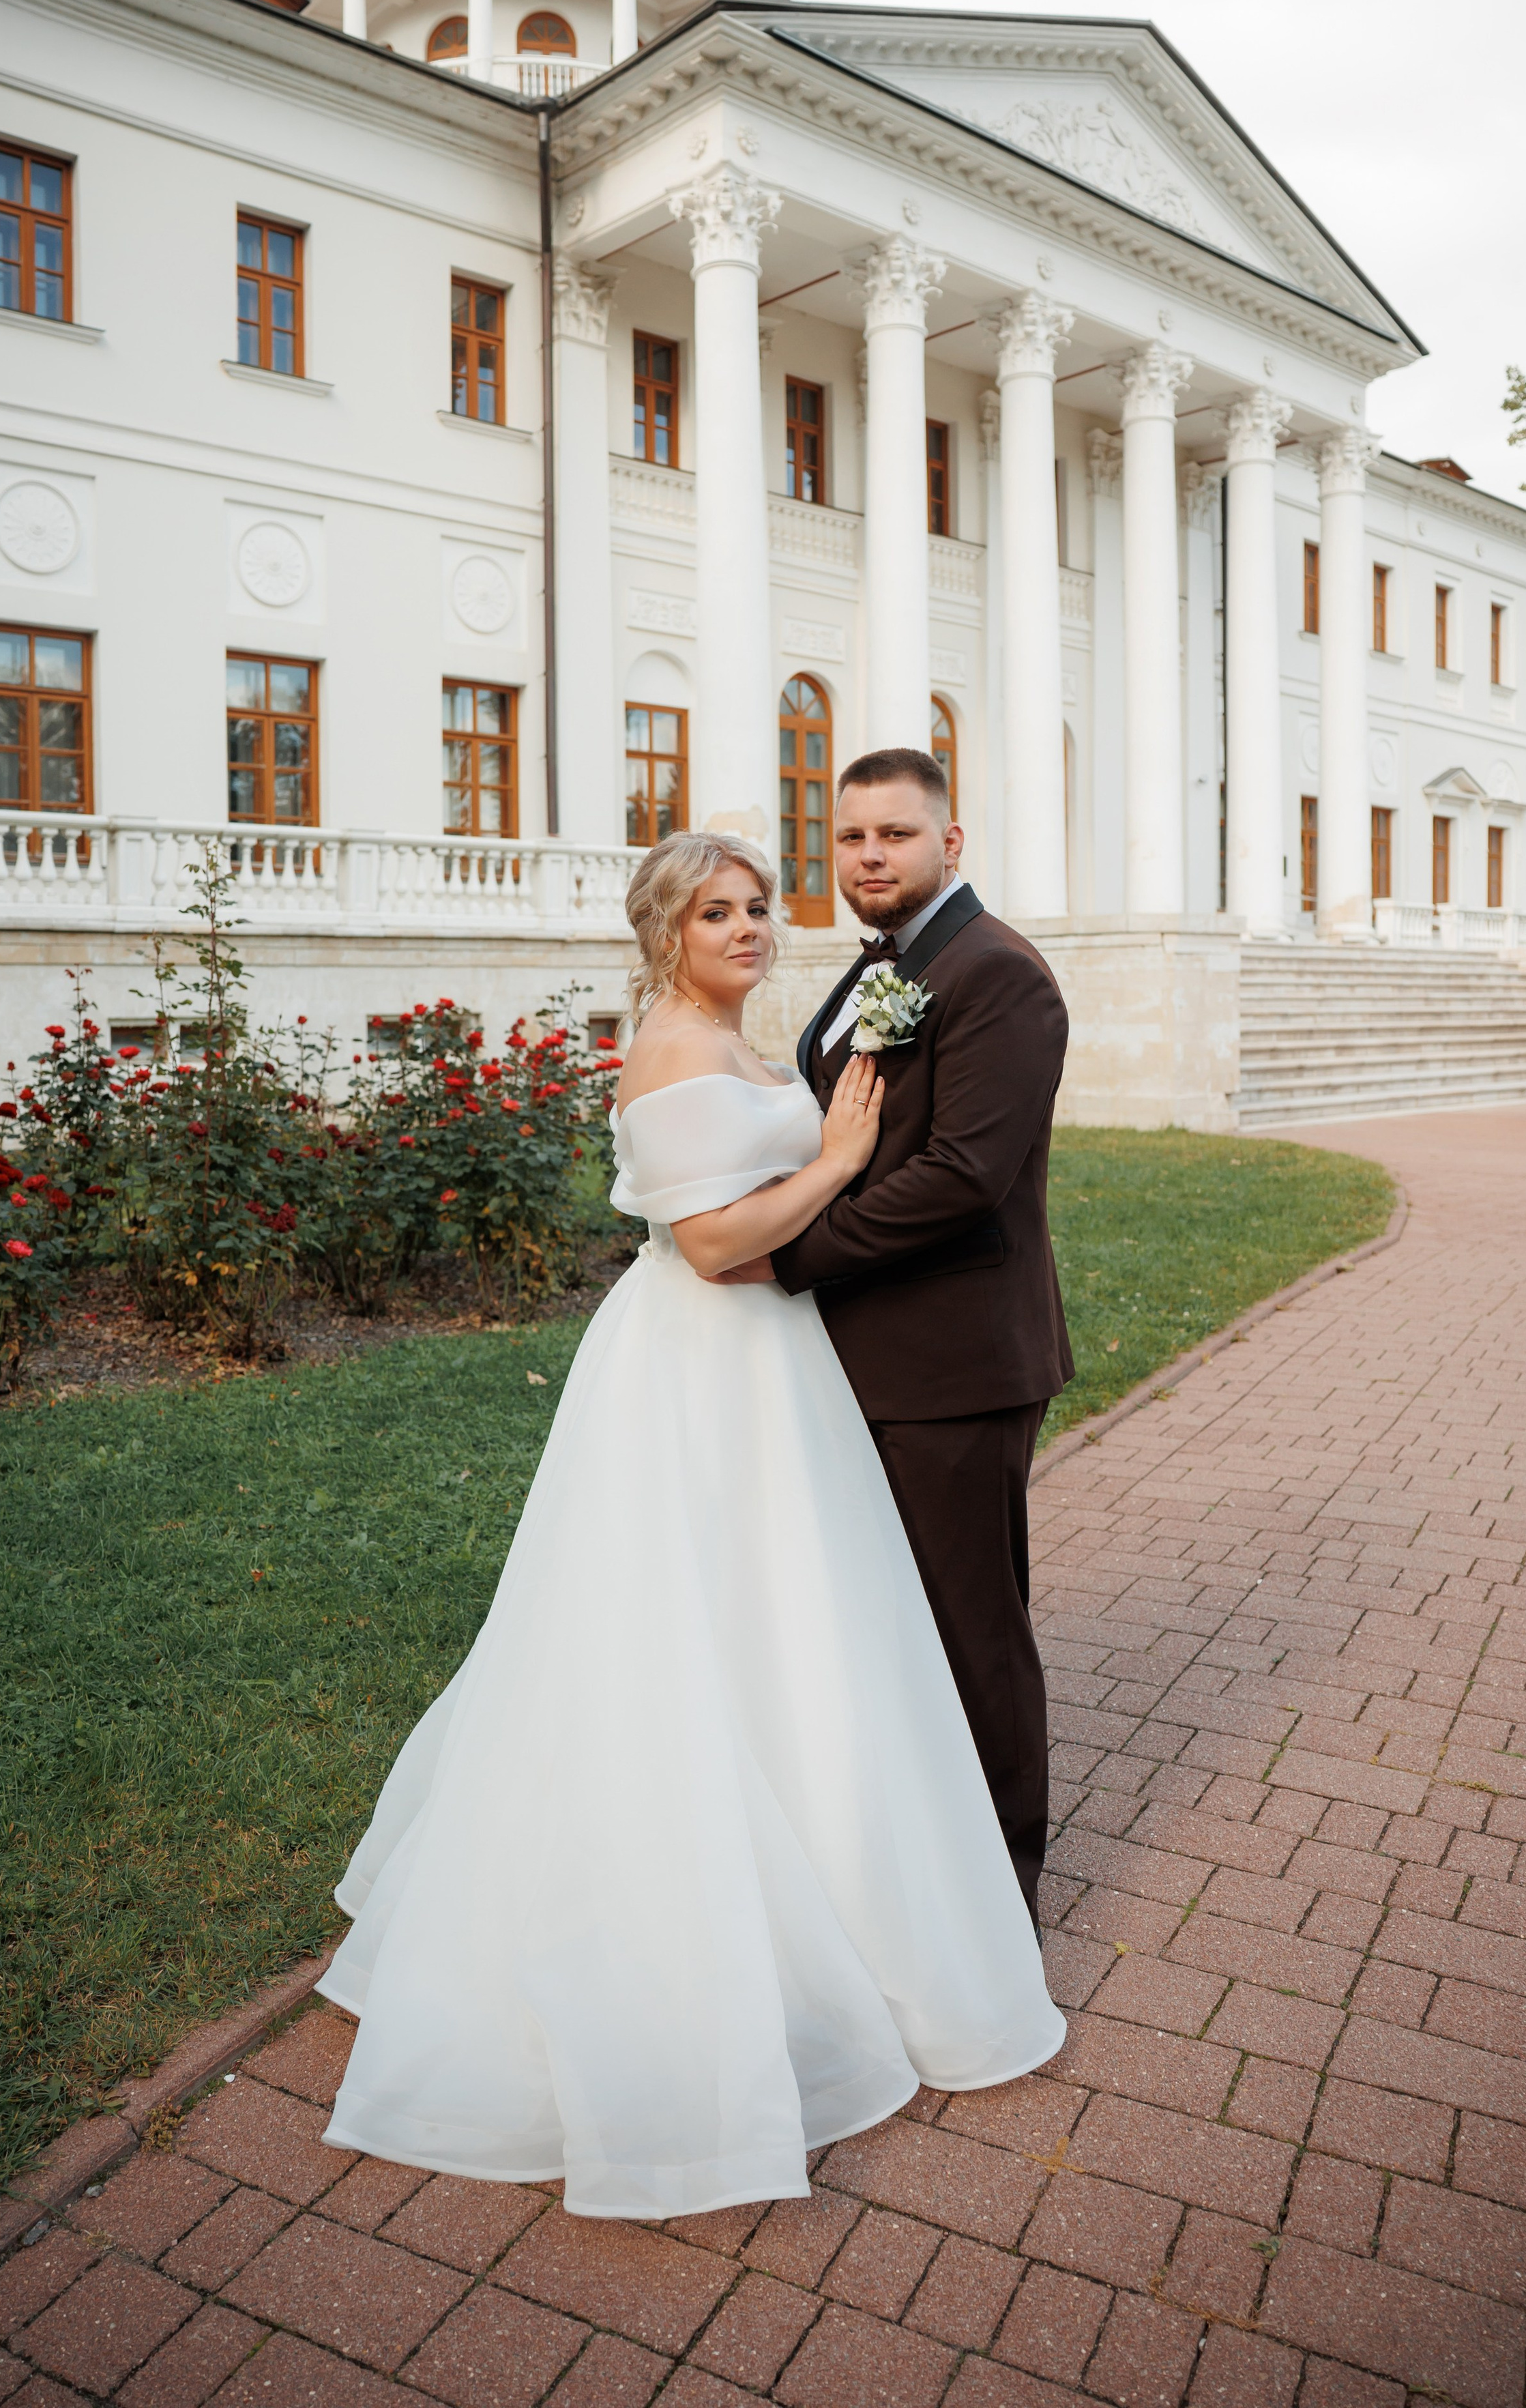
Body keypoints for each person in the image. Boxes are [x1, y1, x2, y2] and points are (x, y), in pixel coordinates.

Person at [316, 828, 1063, 2220]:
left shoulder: (730, 1038)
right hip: (696, 1366)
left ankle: (832, 1882)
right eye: (714, 914)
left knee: (788, 1619)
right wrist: (840, 1155)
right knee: (686, 1622)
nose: (744, 929)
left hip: (772, 1374)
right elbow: (714, 1247)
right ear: (665, 935)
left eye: (754, 908)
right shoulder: (670, 1047)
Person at [768, 749, 1074, 1921]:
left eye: (895, 835)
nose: (869, 857)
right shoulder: (881, 967)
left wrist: (786, 1253)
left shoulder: (999, 975)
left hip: (954, 1360)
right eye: (851, 838)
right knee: (890, 1621)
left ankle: (1002, 1888)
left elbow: (961, 1178)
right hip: (866, 1352)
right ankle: (905, 1863)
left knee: (973, 1627)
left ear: (954, 843)